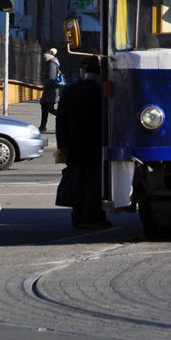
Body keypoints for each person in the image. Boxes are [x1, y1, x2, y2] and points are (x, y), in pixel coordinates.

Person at [55, 56, 110, 230]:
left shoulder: (72, 91)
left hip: (74, 148)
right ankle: (91, 218)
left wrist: (62, 144)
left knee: (77, 185)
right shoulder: (100, 94)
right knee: (93, 185)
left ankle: (78, 217)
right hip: (93, 148)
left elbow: (60, 119)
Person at [40, 48, 62, 132]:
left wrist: (46, 87)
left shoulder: (51, 64)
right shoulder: (51, 63)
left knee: (48, 108)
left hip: (50, 90)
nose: (44, 59)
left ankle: (64, 116)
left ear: (49, 57)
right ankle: (42, 126)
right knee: (46, 108)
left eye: (45, 57)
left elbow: (51, 78)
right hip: (50, 90)